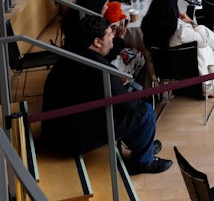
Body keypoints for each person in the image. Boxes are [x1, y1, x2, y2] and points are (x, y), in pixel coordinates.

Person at [42, 14, 173, 174]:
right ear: (97, 42)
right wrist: (139, 97)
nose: (113, 38)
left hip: (57, 131)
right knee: (145, 111)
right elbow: (125, 103)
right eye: (110, 35)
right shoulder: (99, 70)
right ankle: (142, 162)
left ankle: (142, 147)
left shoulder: (74, 54)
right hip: (70, 139)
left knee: (129, 109)